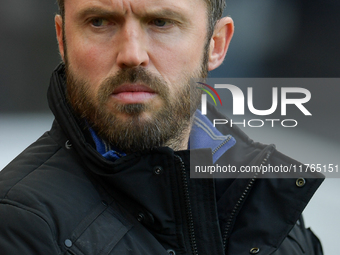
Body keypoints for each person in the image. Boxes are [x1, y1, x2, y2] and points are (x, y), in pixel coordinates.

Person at [0, 0, 324, 254]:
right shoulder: (21, 221)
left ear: (216, 44)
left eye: (161, 22)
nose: (131, 54)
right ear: (62, 38)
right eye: (99, 22)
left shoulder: (260, 193)